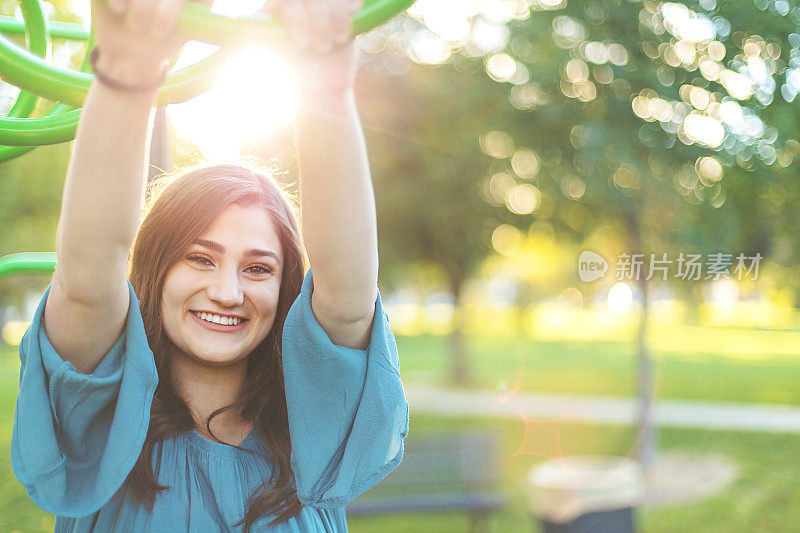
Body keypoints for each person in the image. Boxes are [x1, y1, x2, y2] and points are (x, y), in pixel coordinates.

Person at [10, 0, 409, 531]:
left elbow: (348, 285)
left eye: (258, 268)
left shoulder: (315, 438)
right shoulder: (104, 426)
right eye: (200, 258)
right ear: (156, 268)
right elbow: (89, 274)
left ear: (286, 288)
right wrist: (128, 75)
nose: (227, 291)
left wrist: (325, 85)